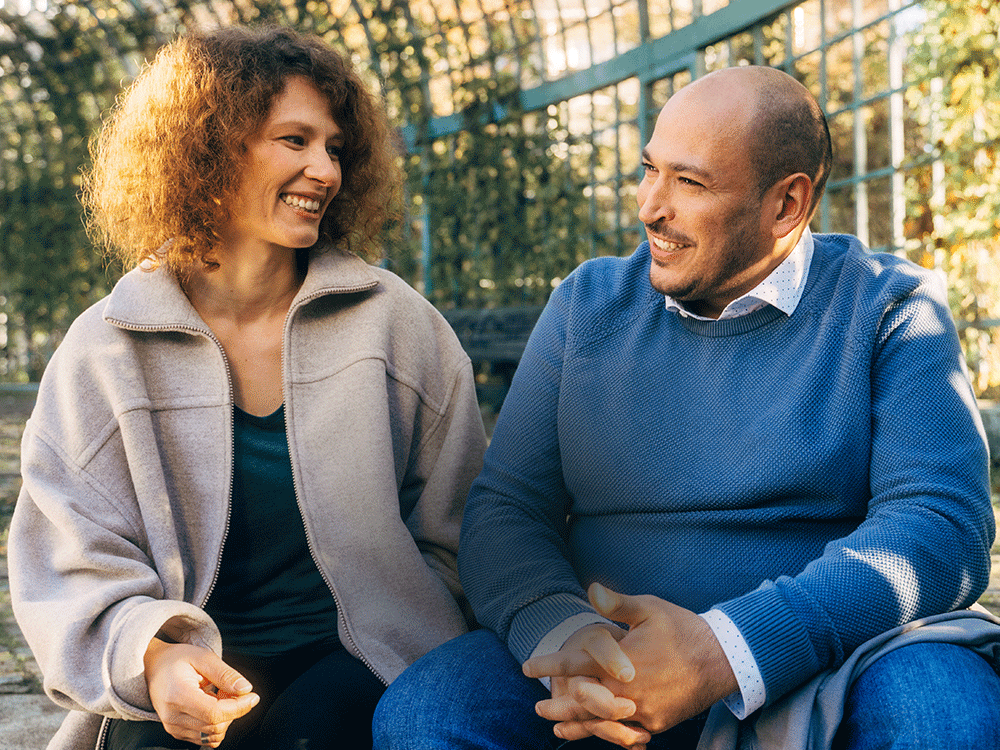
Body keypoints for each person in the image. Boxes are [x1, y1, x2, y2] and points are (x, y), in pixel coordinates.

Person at [372, 65, 1000, 750]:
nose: (649, 206)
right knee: (424, 714)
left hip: (829, 661)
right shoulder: (586, 306)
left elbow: (940, 526)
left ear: (787, 204)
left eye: (689, 182)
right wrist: (572, 637)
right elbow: (506, 511)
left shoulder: (889, 306)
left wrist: (724, 649)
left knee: (943, 709)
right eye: (649, 170)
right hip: (606, 663)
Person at [9, 25, 486, 750]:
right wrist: (156, 656)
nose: (323, 170)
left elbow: (461, 525)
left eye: (333, 148)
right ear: (209, 146)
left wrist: (409, 619)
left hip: (363, 659)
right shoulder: (104, 349)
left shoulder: (397, 325)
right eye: (294, 140)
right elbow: (69, 559)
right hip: (184, 664)